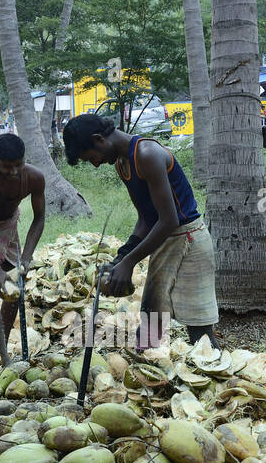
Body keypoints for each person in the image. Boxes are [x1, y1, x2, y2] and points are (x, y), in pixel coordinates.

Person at [63, 114, 219, 350]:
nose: (95, 164)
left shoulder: (146, 154)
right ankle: (153, 377)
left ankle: (216, 373)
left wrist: (130, 262)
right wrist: (122, 256)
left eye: (92, 157)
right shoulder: (122, 163)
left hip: (189, 241)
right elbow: (146, 219)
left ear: (98, 139)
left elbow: (169, 220)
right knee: (149, 327)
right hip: (165, 241)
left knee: (199, 333)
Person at [0, 133, 46, 366]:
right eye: (6, 167)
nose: (12, 171)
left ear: (24, 159)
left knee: (14, 288)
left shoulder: (34, 177)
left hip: (9, 228)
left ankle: (2, 342)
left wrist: (26, 259)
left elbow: (39, 218)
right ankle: (0, 350)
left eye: (18, 165)